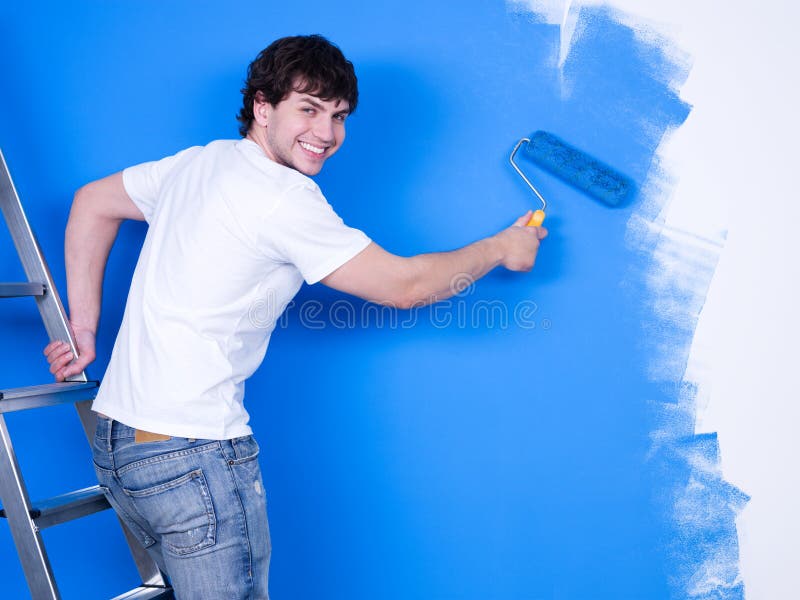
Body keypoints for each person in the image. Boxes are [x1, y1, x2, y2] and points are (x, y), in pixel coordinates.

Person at [43, 34, 547, 600]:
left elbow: (91, 201)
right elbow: (405, 287)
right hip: (192, 455)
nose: (327, 134)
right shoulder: (283, 197)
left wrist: (83, 329)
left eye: (339, 116)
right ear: (263, 107)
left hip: (118, 443)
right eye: (308, 109)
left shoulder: (200, 163)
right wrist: (501, 248)